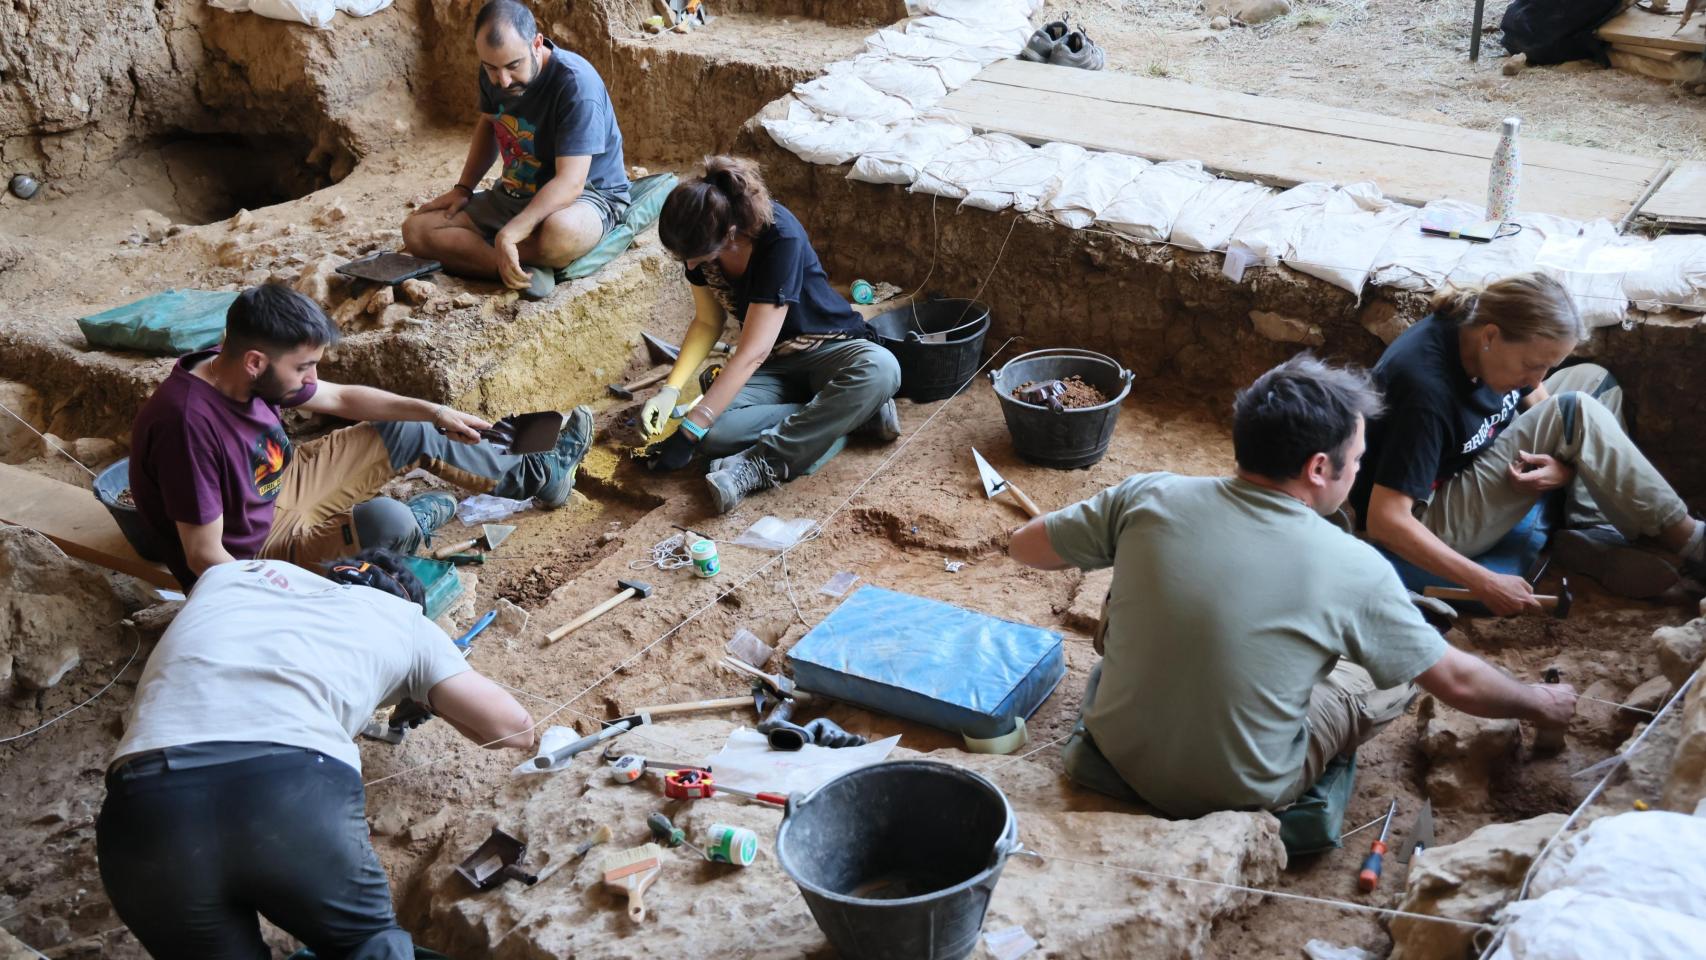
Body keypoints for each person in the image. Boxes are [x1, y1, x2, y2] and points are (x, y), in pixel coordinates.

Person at [1008, 354, 1578, 818]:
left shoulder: (1148, 494)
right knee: (1396, 664)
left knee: (1127, 596)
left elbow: (1024, 546)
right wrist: (1541, 703)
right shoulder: (1355, 566)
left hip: (1119, 750)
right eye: (1355, 459)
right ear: (1316, 468)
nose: (1358, 470)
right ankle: (1395, 636)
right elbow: (1454, 681)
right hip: (1240, 789)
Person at [96, 549, 536, 958]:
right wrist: (428, 690)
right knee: (368, 944)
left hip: (142, 809)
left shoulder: (233, 574)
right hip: (288, 793)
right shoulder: (407, 621)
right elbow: (513, 730)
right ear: (409, 601)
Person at [130, 282, 594, 589]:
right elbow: (204, 555)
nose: (312, 377)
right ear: (255, 361)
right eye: (305, 366)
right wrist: (274, 603)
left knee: (413, 428)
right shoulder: (187, 427)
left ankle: (537, 478)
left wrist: (436, 410)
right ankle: (412, 525)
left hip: (281, 484)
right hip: (252, 549)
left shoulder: (233, 365)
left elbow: (342, 399)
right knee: (388, 524)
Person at [1350, 273, 1706, 613]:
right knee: (1576, 409)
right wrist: (1484, 582)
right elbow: (1385, 521)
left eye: (1547, 367)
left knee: (1594, 382)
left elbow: (1538, 394)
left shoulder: (1481, 331)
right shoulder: (1424, 391)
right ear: (1491, 336)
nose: (1536, 379)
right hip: (1429, 514)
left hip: (1474, 452)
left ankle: (1592, 533)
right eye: (1532, 365)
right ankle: (1692, 541)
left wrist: (1564, 468)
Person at [639, 155, 902, 514]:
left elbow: (752, 352)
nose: (690, 266)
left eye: (697, 256)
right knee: (716, 435)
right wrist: (671, 390)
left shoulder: (780, 236)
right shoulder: (702, 248)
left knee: (882, 369)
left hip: (828, 349)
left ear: (730, 234)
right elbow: (706, 322)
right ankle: (845, 415)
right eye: (684, 258)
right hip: (776, 367)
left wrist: (689, 430)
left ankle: (761, 464)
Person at [400, 0, 631, 301]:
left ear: (536, 43)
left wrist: (508, 234)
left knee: (559, 233)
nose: (503, 80)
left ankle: (501, 252)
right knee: (417, 229)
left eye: (513, 66)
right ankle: (514, 268)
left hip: (586, 196)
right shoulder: (494, 73)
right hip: (516, 195)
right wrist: (463, 188)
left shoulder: (575, 84)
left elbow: (570, 183)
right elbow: (488, 125)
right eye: (491, 68)